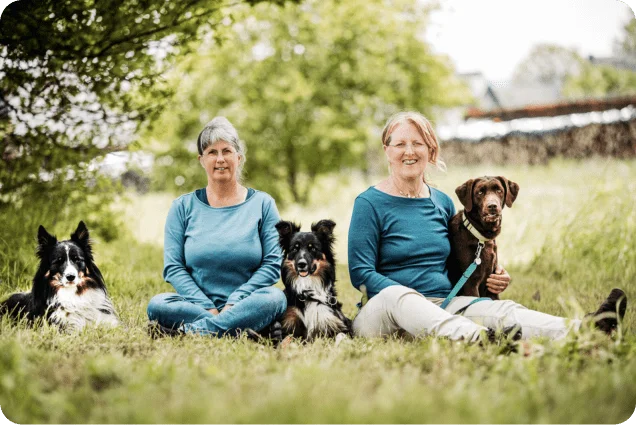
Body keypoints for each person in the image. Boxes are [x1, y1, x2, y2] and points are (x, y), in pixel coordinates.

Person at [348, 111, 627, 342]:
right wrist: (415, 300)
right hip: (386, 313)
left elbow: (460, 256)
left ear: (430, 149)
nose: (409, 151)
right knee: (399, 295)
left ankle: (589, 328)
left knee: (502, 309)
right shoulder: (370, 203)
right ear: (387, 151)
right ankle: (482, 339)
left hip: (444, 305)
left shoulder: (443, 203)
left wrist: (493, 272)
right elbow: (361, 273)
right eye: (400, 144)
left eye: (417, 143)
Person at [147, 117, 287, 338]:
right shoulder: (182, 207)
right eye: (212, 152)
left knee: (275, 299)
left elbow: (272, 263)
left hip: (250, 302)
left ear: (239, 158)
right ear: (201, 160)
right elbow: (173, 267)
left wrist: (234, 303)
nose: (220, 159)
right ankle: (246, 329)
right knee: (158, 305)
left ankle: (189, 333)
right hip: (197, 305)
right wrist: (209, 307)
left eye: (227, 151)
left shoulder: (263, 204)